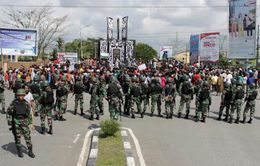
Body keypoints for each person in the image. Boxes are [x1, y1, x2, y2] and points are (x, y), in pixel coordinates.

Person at [6, 89, 35, 158]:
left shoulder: (26, 103)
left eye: (22, 95)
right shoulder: (13, 103)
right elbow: (8, 112)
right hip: (16, 122)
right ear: (17, 95)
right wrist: (9, 121)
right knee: (17, 137)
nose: (21, 97)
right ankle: (19, 151)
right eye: (19, 95)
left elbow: (29, 114)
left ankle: (30, 151)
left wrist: (30, 123)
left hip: (24, 121)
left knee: (27, 137)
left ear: (24, 95)